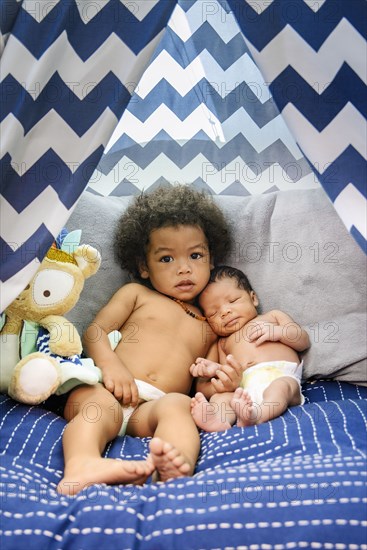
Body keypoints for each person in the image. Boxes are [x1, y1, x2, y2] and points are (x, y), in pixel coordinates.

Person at [57, 185, 231, 495]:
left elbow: (203, 385)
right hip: (105, 389)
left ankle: (175, 468)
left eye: (195, 255)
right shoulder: (136, 295)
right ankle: (82, 463)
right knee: (100, 408)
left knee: (179, 405)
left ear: (211, 258)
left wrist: (217, 381)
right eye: (166, 258)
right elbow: (94, 332)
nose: (184, 267)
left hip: (148, 411)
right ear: (143, 267)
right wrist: (111, 365)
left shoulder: (211, 325)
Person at [190, 266, 310, 432]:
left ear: (253, 298)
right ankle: (218, 420)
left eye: (232, 301)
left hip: (281, 376)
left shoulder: (272, 317)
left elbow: (303, 340)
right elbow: (230, 373)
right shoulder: (223, 343)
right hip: (244, 390)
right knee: (222, 397)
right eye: (213, 313)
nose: (225, 312)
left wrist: (279, 332)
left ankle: (258, 415)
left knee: (280, 388)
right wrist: (217, 371)